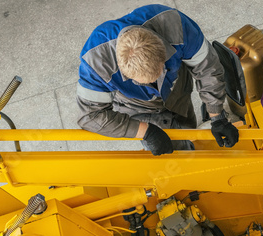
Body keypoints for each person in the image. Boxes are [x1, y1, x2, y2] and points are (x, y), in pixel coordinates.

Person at [76, 4, 239, 155]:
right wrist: (146, 132)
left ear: (164, 50)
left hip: (177, 91)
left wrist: (217, 116)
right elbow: (90, 116)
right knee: (168, 151)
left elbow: (208, 68)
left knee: (188, 129)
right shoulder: (95, 62)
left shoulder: (177, 26)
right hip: (137, 107)